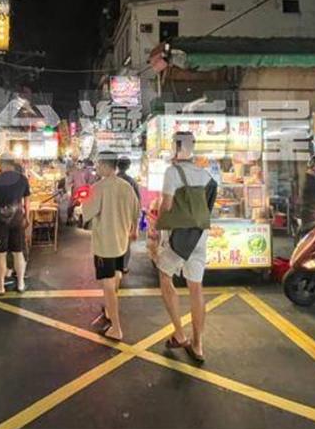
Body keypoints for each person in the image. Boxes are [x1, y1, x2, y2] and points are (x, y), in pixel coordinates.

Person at [149, 132, 217, 362]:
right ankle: (198, 345)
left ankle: (179, 333)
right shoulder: (204, 174)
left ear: (176, 147)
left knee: (165, 275)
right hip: (200, 235)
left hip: (179, 236)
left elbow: (167, 205)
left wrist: (156, 225)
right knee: (196, 288)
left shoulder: (172, 172)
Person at [82, 153, 140, 341]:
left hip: (105, 243)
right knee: (117, 274)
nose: (97, 168)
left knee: (107, 283)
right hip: (121, 241)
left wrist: (82, 201)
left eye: (98, 165)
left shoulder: (98, 187)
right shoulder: (126, 186)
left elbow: (87, 212)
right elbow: (136, 210)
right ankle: (109, 309)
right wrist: (134, 229)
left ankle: (116, 328)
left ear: (106, 166)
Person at [0, 152, 31, 295]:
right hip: (17, 220)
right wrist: (27, 217)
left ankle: (0, 287)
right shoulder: (23, 179)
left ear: (3, 164)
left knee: (1, 255)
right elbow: (27, 200)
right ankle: (21, 284)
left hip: (0, 221)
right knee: (18, 252)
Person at [116, 156, 142, 273]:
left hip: (113, 217)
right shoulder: (132, 182)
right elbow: (137, 202)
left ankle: (114, 264)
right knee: (126, 242)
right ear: (128, 167)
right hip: (127, 218)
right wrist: (136, 224)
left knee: (114, 240)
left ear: (117, 166)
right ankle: (124, 266)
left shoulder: (111, 180)